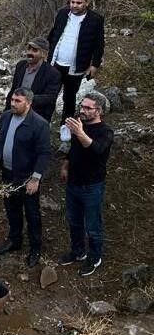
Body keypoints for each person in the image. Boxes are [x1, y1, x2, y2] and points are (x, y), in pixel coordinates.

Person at [0, 88, 51, 267]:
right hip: (8, 173)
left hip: (26, 177)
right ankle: (15, 240)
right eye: (12, 99)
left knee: (32, 213)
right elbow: (0, 140)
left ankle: (35, 248)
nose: (13, 103)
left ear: (28, 102)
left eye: (17, 101)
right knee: (11, 208)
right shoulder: (6, 117)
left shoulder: (39, 124)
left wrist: (35, 179)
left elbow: (43, 153)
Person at [58, 92, 114, 276]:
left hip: (92, 186)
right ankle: (78, 252)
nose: (82, 110)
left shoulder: (105, 132)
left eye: (87, 108)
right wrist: (65, 166)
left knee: (92, 226)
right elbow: (73, 150)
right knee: (74, 222)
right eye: (82, 106)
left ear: (99, 111)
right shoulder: (77, 125)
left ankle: (94, 257)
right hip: (73, 183)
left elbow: (96, 149)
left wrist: (80, 132)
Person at [47, 0, 105, 122]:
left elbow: (99, 44)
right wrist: (46, 53)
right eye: (72, 2)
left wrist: (95, 65)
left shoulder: (95, 19)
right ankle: (45, 122)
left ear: (87, 2)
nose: (74, 5)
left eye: (79, 3)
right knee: (49, 94)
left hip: (76, 66)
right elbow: (53, 34)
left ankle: (65, 125)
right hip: (55, 63)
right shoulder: (62, 13)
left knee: (69, 98)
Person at [4, 38, 61, 122]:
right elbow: (14, 89)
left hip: (36, 115)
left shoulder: (52, 73)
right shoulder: (21, 66)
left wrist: (27, 99)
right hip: (16, 111)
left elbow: (50, 97)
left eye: (34, 50)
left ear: (43, 54)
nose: (29, 53)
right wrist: (7, 111)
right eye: (28, 49)